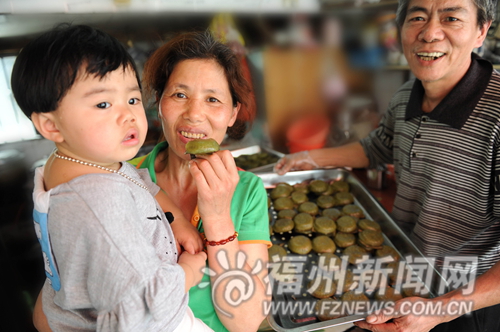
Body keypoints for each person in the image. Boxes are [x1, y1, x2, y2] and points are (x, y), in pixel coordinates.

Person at [274, 0, 500, 331]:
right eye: (418, 17)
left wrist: (441, 310)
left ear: (481, 30)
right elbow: (377, 148)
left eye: (451, 18)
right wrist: (308, 159)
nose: (430, 33)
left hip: (465, 304)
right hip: (396, 274)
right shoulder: (407, 94)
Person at [33, 30, 272, 332]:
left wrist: (218, 217)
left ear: (233, 113)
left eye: (213, 99)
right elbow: (50, 313)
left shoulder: (247, 190)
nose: (194, 114)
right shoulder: (108, 177)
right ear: (159, 103)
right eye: (180, 95)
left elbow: (247, 323)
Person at [12, 24, 211, 331]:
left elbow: (136, 180)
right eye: (103, 104)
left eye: (132, 99)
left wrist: (177, 220)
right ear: (51, 126)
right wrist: (189, 271)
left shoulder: (81, 160)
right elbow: (144, 303)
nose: (128, 115)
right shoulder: (100, 203)